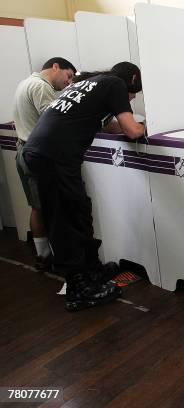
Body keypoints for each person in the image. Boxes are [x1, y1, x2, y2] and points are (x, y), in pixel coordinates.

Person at [18, 62, 146, 311]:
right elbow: (132, 131)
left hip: (42, 152)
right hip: (53, 156)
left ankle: (91, 271)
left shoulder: (90, 83)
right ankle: (78, 288)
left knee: (78, 210)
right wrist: (145, 126)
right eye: (134, 93)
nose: (131, 98)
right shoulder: (116, 85)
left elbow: (106, 124)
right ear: (132, 79)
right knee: (67, 219)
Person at [13, 57, 76, 271]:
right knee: (44, 207)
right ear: (55, 67)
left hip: (23, 150)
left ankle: (43, 254)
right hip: (37, 155)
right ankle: (46, 257)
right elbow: (54, 122)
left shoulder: (25, 83)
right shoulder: (41, 87)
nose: (68, 83)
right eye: (68, 76)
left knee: (36, 205)